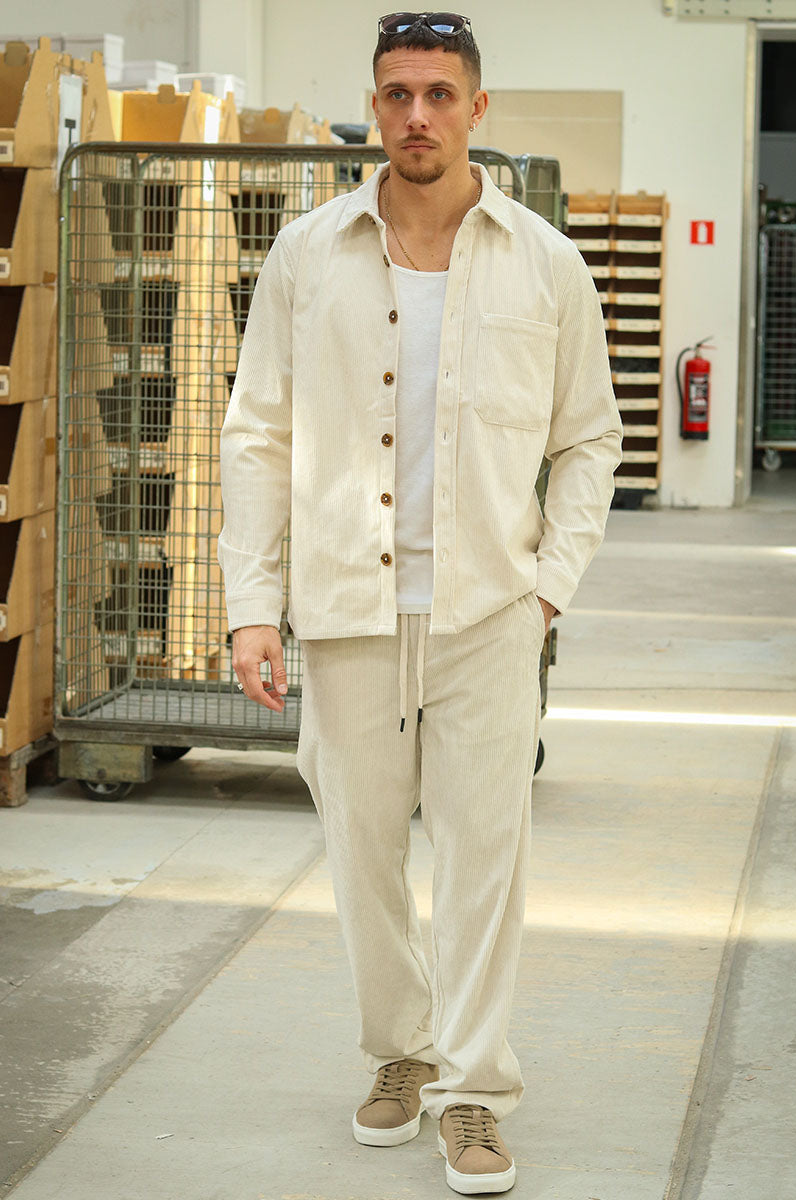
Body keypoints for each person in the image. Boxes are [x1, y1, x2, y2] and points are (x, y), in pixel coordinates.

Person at [217, 11, 623, 1195]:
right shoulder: (307, 256)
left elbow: (588, 439)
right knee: (362, 856)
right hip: (347, 610)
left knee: (485, 860)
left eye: (439, 94)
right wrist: (252, 602)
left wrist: (547, 589)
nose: (416, 116)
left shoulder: (545, 263)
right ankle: (398, 1049)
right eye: (396, 93)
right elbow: (257, 433)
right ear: (373, 106)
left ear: (476, 109)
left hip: (488, 614)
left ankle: (474, 1088)